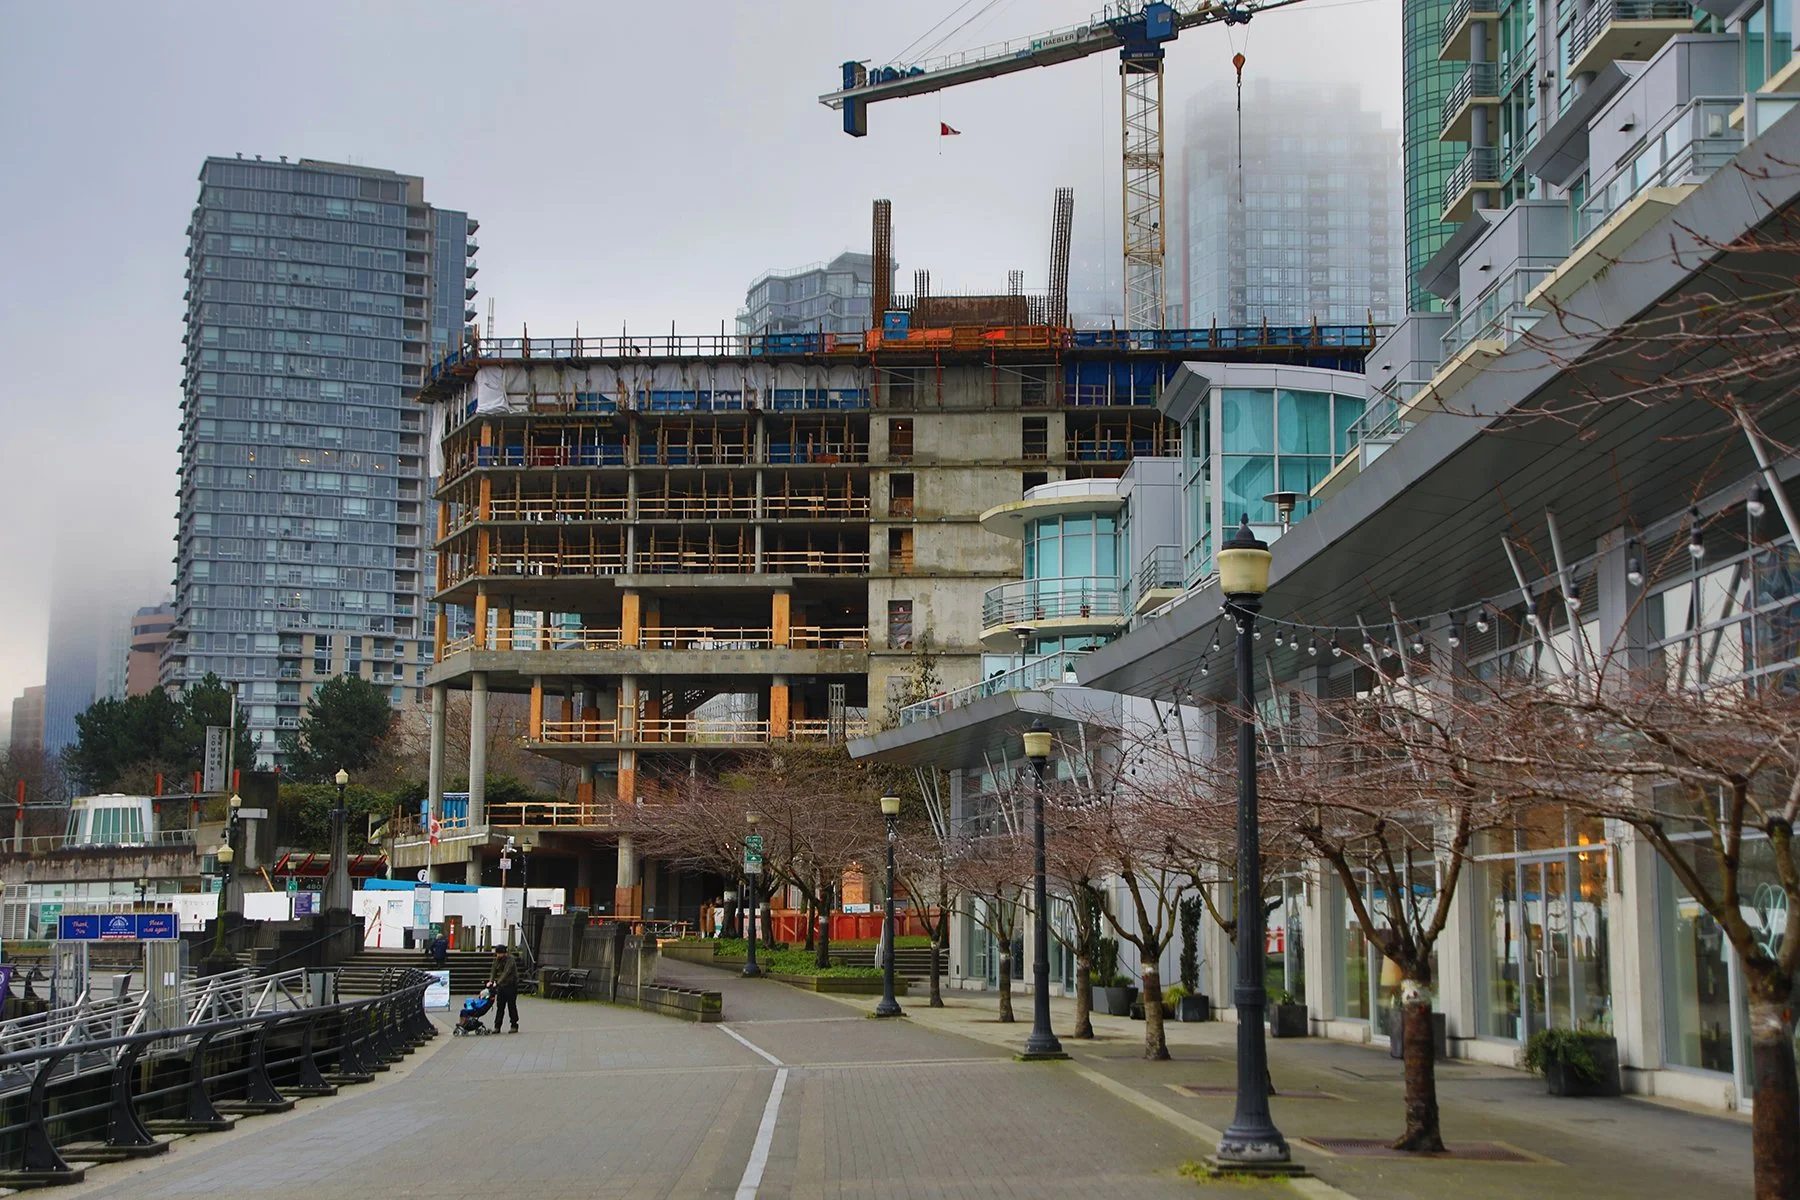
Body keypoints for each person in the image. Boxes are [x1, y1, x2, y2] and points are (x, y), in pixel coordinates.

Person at [488, 945, 520, 1033]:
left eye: (500, 954)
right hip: (502, 986)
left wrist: (497, 982)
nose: (498, 955)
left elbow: (506, 972)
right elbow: (493, 970)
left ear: (504, 953)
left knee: (511, 1005)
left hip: (511, 985)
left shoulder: (510, 960)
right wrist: (491, 981)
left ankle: (514, 1024)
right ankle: (497, 1026)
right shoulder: (496, 960)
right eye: (497, 954)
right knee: (500, 1007)